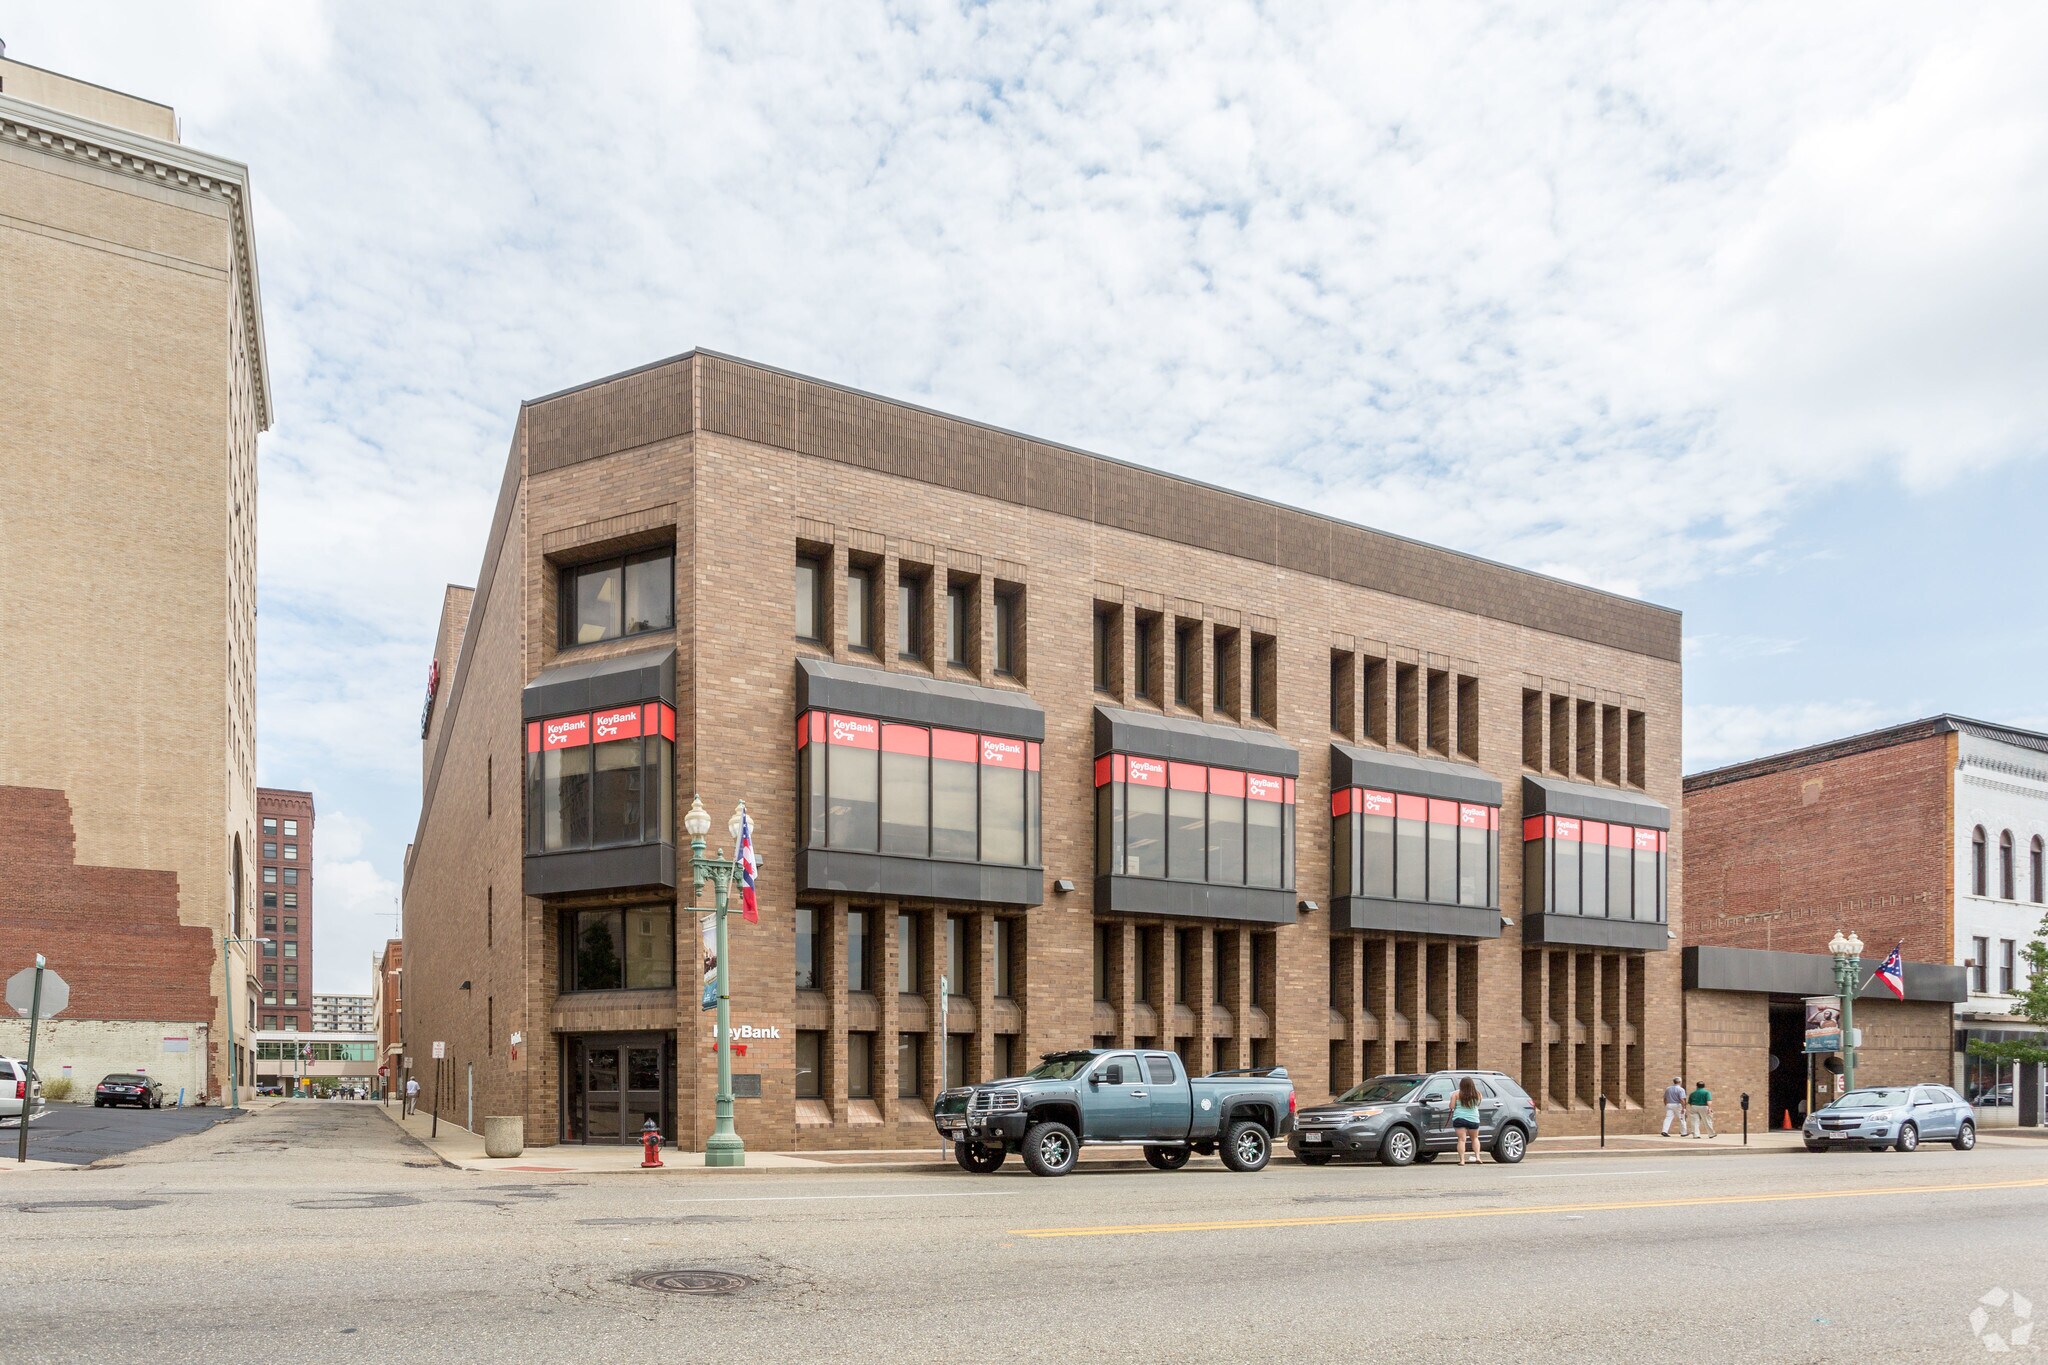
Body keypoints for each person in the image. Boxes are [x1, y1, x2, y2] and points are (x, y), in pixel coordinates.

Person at [1452, 1076, 1484, 1165]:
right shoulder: (1478, 1094)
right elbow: (1478, 1105)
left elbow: (1451, 1106)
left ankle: (1462, 1160)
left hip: (1460, 1118)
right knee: (1475, 1138)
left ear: (1461, 1084)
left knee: (1462, 1140)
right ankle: (1478, 1157)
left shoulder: (1456, 1094)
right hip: (1473, 1119)